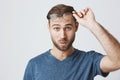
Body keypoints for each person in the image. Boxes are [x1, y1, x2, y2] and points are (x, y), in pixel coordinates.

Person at [23, 4, 120, 80]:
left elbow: (117, 61)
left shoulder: (89, 60)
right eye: (56, 28)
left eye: (68, 28)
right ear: (49, 27)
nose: (62, 35)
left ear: (76, 27)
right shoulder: (34, 65)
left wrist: (92, 25)